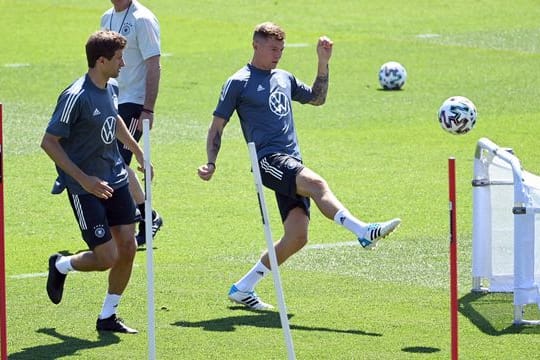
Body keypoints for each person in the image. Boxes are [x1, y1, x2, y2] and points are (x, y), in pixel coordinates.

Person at [198, 22, 401, 310]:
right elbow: (217, 126)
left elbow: (317, 99)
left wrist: (322, 63)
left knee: (297, 237)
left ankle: (243, 288)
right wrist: (210, 162)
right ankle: (364, 231)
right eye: (272, 49)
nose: (277, 54)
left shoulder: (284, 77)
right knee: (318, 185)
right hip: (268, 160)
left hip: (292, 160)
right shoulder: (239, 82)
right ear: (255, 45)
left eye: (281, 49)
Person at [41, 30, 153, 333]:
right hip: (84, 187)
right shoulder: (75, 96)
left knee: (128, 247)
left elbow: (113, 118)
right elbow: (49, 142)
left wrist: (138, 151)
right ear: (100, 60)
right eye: (119, 59)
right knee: (106, 257)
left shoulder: (111, 87)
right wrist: (85, 180)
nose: (124, 64)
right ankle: (61, 265)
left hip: (115, 179)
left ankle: (108, 316)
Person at [100, 0, 163, 246]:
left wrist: (148, 108)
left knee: (118, 161)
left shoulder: (143, 19)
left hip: (134, 102)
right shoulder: (107, 17)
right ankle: (148, 216)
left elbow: (154, 64)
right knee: (114, 161)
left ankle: (139, 217)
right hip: (111, 99)